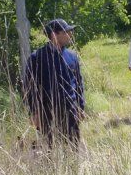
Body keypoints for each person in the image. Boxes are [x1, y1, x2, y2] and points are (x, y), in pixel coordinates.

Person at [23, 19, 85, 152]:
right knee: (49, 150)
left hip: (70, 110)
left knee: (72, 148)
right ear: (54, 35)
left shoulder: (72, 56)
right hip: (46, 112)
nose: (70, 34)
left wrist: (80, 107)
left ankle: (72, 165)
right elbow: (29, 87)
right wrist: (33, 112)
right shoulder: (37, 57)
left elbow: (79, 83)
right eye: (66, 32)